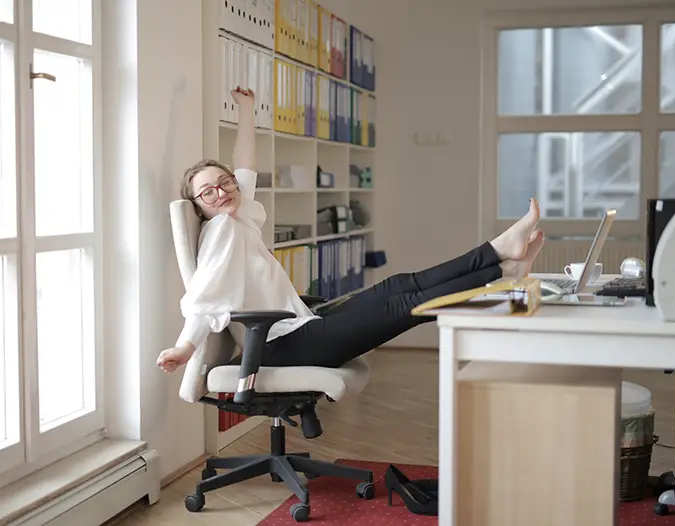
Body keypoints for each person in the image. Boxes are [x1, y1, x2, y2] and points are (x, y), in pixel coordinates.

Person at [157, 87, 545, 373]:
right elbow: (204, 298)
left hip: (300, 327)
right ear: (199, 207)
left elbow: (245, 167)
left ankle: (501, 260)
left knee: (397, 286)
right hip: (284, 348)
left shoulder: (238, 214)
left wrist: (245, 110)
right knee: (402, 305)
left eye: (224, 182)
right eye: (208, 192)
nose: (222, 191)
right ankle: (502, 271)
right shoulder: (222, 230)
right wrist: (184, 348)